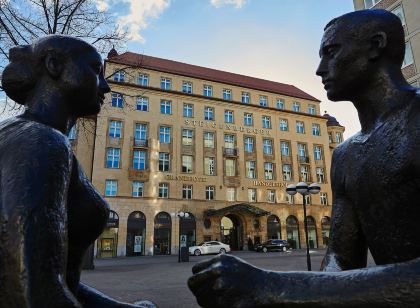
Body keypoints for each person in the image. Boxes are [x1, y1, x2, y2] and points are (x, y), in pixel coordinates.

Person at [188, 9, 420, 308]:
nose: (320, 69)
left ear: (375, 46)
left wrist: (271, 287)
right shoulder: (347, 155)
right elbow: (340, 261)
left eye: (331, 52)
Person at [0, 35, 155, 308]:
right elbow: (32, 293)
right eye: (96, 71)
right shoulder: (43, 142)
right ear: (54, 65)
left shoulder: (21, 133)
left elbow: (55, 281)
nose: (105, 87)